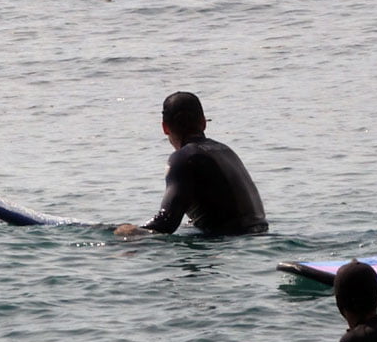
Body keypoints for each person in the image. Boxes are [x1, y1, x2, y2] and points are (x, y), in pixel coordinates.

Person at [114, 91, 267, 236]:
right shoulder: (225, 151)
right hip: (258, 237)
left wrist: (126, 233)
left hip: (228, 243)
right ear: (203, 123)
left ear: (165, 128)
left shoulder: (184, 158)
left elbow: (165, 223)